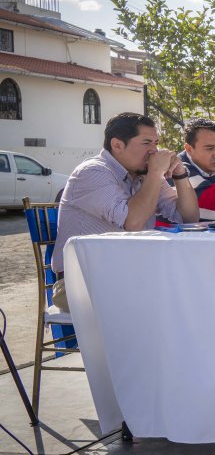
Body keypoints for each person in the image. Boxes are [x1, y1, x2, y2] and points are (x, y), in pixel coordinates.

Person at [54, 113, 200, 311]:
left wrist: (180, 174)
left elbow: (189, 218)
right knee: (178, 294)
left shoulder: (143, 177)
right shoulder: (92, 172)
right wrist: (156, 173)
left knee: (195, 282)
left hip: (129, 274)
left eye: (156, 143)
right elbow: (133, 223)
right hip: (80, 283)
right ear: (117, 145)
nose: (154, 151)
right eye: (146, 143)